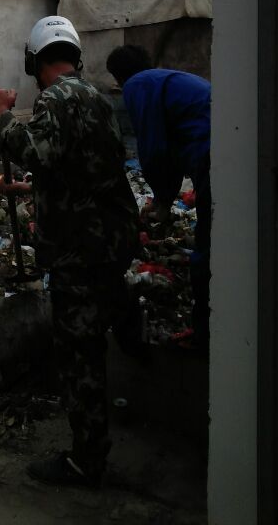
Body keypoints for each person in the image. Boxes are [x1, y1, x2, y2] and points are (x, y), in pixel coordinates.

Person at [0, 16, 139, 489]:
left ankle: (86, 461)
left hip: (81, 250)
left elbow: (36, 151)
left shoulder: (56, 96)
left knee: (79, 354)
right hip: (110, 239)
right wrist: (31, 188)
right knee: (96, 324)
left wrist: (1, 115)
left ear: (33, 61)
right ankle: (127, 317)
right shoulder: (96, 96)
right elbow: (78, 166)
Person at [106, 45, 211, 349]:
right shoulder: (165, 80)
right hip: (223, 152)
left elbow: (153, 148)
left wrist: (162, 200)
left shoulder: (138, 85)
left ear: (118, 77)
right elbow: (170, 150)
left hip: (212, 157)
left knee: (207, 249)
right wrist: (164, 196)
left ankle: (204, 337)